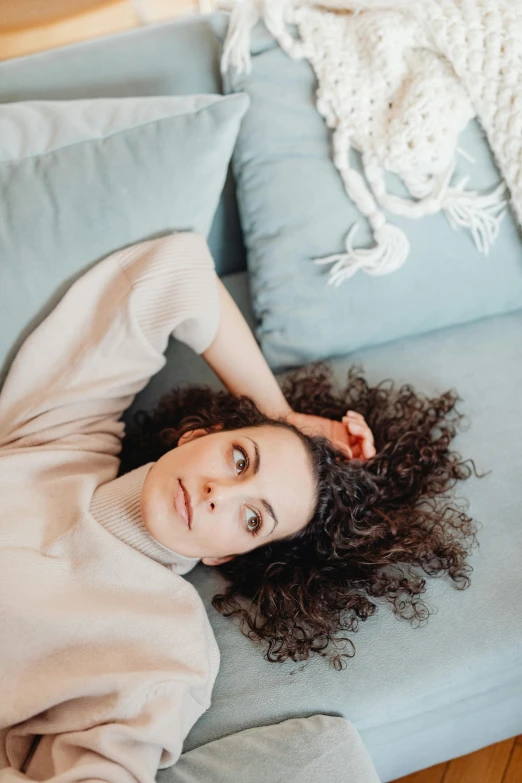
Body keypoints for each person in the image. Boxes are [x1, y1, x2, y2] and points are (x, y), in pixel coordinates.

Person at [0, 231, 481, 783]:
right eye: (238, 459)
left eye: (253, 518)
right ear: (194, 436)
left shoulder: (162, 650)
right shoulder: (59, 438)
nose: (218, 493)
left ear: (232, 555)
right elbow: (176, 273)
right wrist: (279, 414)